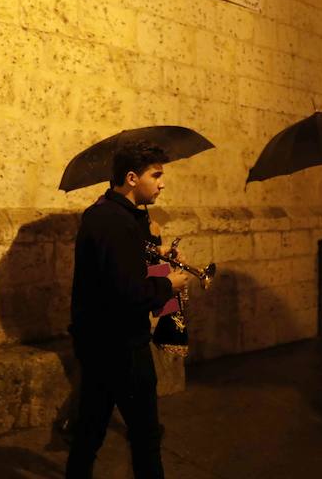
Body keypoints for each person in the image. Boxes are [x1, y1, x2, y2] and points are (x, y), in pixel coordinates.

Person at [66, 141, 188, 479]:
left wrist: (155, 253)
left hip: (99, 342)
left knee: (90, 430)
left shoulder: (111, 214)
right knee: (146, 436)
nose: (162, 183)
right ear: (132, 178)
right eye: (157, 175)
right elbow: (128, 292)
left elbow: (119, 270)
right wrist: (169, 285)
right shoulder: (114, 221)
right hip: (121, 345)